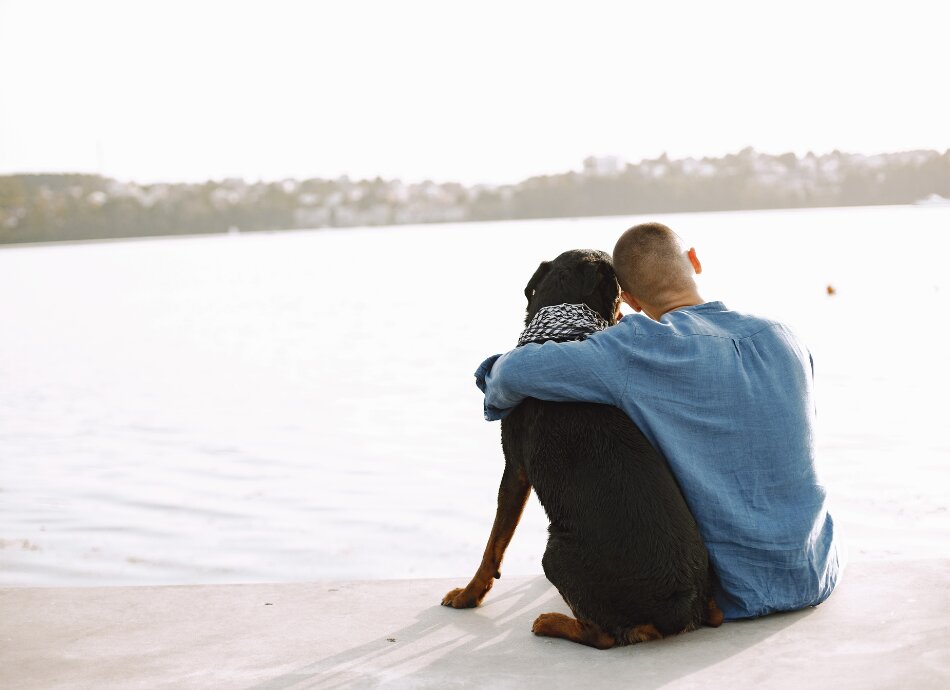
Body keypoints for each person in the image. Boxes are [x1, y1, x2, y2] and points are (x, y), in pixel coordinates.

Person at [475, 222, 841, 620]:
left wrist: (492, 373)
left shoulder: (636, 348)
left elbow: (513, 375)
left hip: (732, 594)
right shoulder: (785, 335)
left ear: (628, 301)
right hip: (816, 573)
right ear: (695, 261)